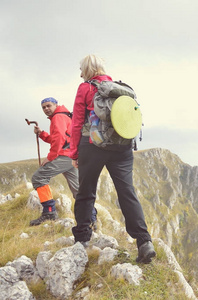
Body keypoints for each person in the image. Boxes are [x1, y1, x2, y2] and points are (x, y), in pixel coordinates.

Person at [70, 54, 156, 264]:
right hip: (122, 147)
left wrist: (74, 153)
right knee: (127, 192)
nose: (80, 74)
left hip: (92, 146)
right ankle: (144, 242)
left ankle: (82, 240)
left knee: (86, 192)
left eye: (82, 70)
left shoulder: (86, 88)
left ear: (88, 71)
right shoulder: (118, 89)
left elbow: (76, 123)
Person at [30, 97, 97, 227]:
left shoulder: (58, 117)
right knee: (78, 190)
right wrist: (42, 134)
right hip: (73, 155)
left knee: (38, 178)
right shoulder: (64, 115)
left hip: (65, 156)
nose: (46, 109)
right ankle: (91, 217)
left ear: (56, 105)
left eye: (48, 105)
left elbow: (59, 139)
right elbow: (60, 138)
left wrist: (50, 157)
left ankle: (49, 212)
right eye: (43, 107)